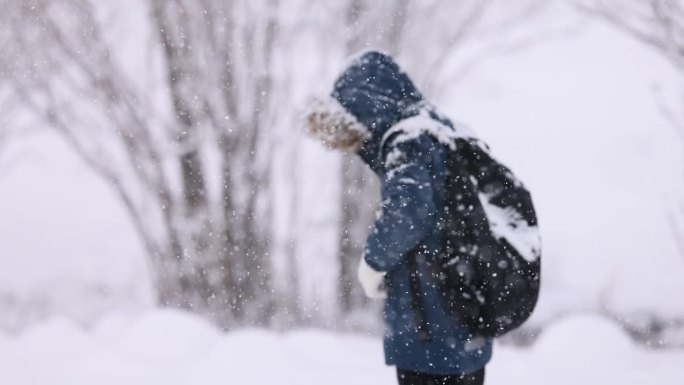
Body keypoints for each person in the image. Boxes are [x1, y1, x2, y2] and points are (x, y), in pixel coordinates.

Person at [306, 51, 490, 385]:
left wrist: (373, 264)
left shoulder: (410, 141)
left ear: (369, 107)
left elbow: (408, 210)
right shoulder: (447, 135)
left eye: (354, 121)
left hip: (430, 325)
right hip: (464, 317)